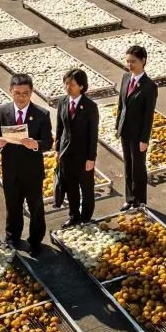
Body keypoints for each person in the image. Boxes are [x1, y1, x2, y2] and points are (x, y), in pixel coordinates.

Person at [0, 73, 53, 256]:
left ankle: (35, 241)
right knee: (13, 207)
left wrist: (36, 144)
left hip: (32, 172)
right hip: (11, 171)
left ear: (31, 92)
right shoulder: (2, 112)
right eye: (17, 93)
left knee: (36, 208)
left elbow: (48, 142)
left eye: (25, 93)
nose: (21, 97)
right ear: (10, 91)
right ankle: (12, 238)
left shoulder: (42, 114)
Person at [55, 68, 99, 228]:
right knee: (71, 187)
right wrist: (57, 149)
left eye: (72, 84)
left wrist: (91, 158)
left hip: (83, 155)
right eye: (66, 83)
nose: (68, 87)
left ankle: (86, 217)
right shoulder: (62, 102)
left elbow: (93, 134)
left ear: (81, 86)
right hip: (66, 154)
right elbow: (60, 127)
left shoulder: (90, 106)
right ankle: (74, 215)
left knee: (86, 188)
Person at [115, 45, 157, 211]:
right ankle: (129, 198)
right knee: (128, 165)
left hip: (138, 134)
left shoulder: (149, 86)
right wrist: (118, 126)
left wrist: (144, 139)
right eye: (127, 61)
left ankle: (140, 200)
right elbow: (121, 105)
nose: (129, 65)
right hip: (125, 130)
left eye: (133, 61)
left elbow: (148, 116)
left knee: (138, 167)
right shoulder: (126, 78)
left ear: (143, 61)